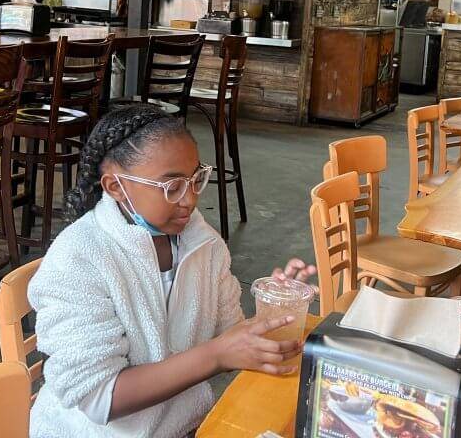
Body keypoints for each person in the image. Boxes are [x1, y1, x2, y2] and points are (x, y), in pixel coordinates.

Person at [27, 104, 317, 438]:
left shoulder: (201, 242)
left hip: (183, 428)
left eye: (195, 179)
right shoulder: (79, 259)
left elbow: (230, 333)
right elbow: (99, 398)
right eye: (172, 187)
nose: (190, 199)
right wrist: (217, 356)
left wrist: (276, 310)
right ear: (115, 186)